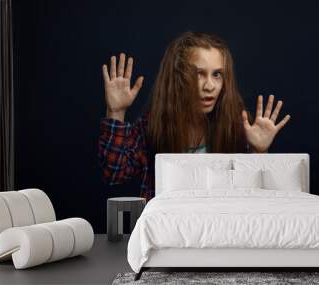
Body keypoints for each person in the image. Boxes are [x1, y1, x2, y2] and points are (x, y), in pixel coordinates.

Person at [98, 31, 291, 202]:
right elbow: (115, 174)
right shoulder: (153, 126)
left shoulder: (237, 127)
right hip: (168, 231)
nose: (209, 86)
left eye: (217, 75)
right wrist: (116, 112)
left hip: (222, 230)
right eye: (199, 74)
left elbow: (256, 199)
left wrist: (260, 151)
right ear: (178, 78)